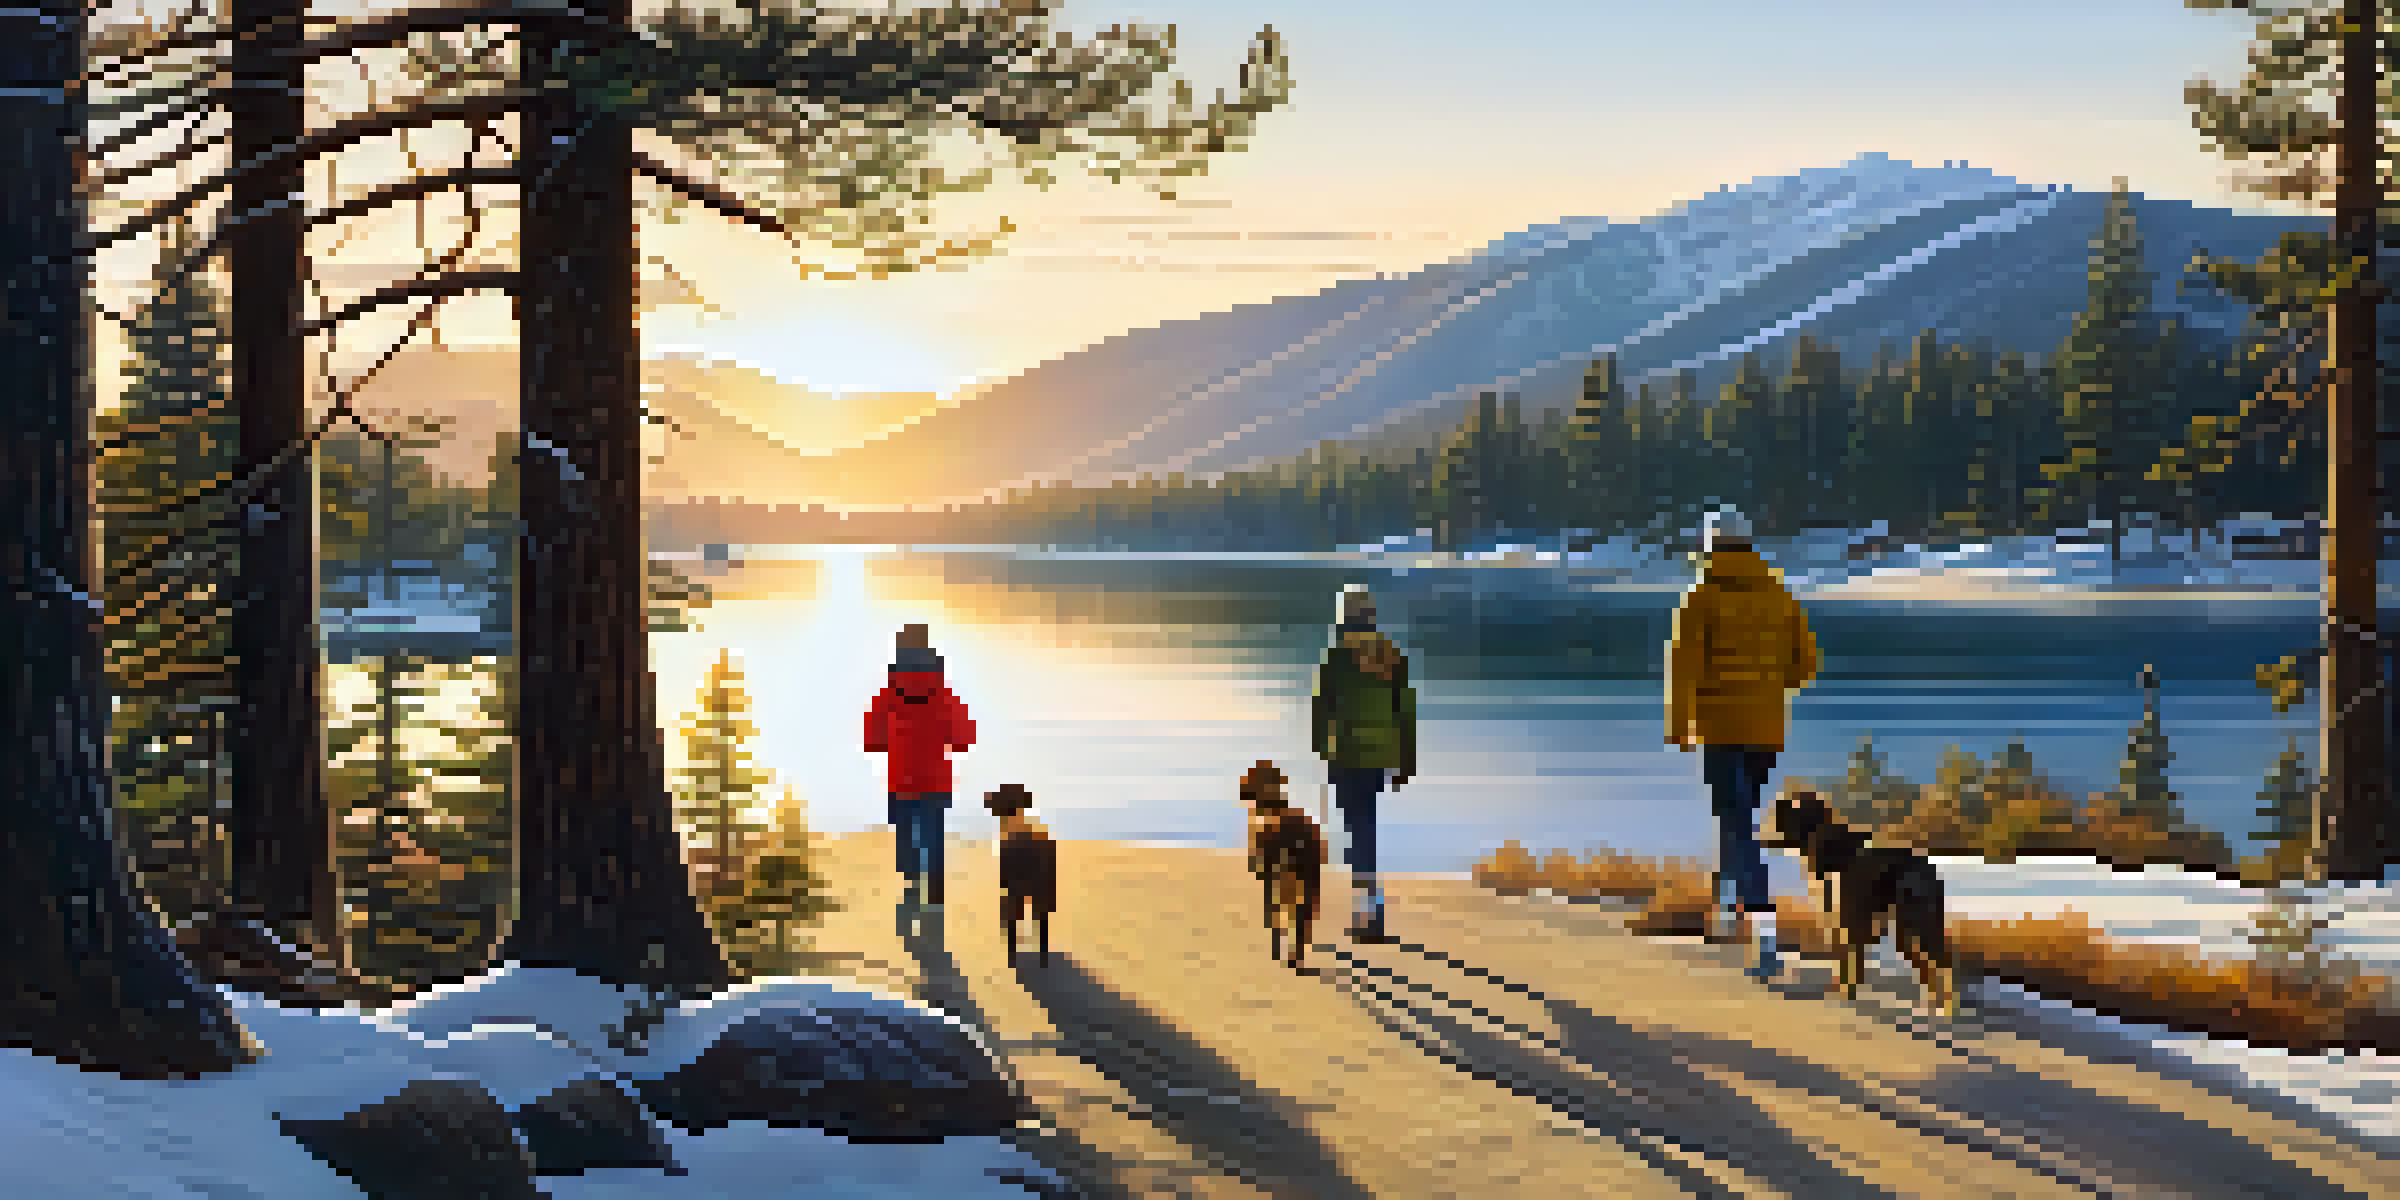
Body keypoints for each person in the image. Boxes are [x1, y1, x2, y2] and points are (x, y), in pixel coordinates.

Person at [1666, 508, 1820, 980]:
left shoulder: (1701, 597)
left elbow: (1683, 670)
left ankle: (1764, 931)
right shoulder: (1779, 595)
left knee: (1737, 823)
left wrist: (1679, 727)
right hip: (1767, 729)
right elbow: (1806, 664)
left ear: (1709, 548)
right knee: (1737, 816)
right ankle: (1726, 908)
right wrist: (1770, 689)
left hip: (1721, 728)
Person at [1312, 584, 1416, 943]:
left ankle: (1369, 911)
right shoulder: (1391, 655)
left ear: (1344, 616)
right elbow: (1405, 711)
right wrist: (1405, 761)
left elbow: (1321, 709)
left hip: (1346, 756)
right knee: (1365, 827)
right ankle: (1371, 908)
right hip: (1378, 758)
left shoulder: (1338, 656)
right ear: (1371, 615)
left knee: (1357, 831)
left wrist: (1323, 752)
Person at [865, 623, 976, 915]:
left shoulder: (889, 692)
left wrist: (890, 743)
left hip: (900, 777)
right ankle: (934, 884)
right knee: (933, 832)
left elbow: (872, 738)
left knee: (905, 831)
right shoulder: (943, 692)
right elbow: (964, 738)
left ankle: (912, 881)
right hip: (935, 779)